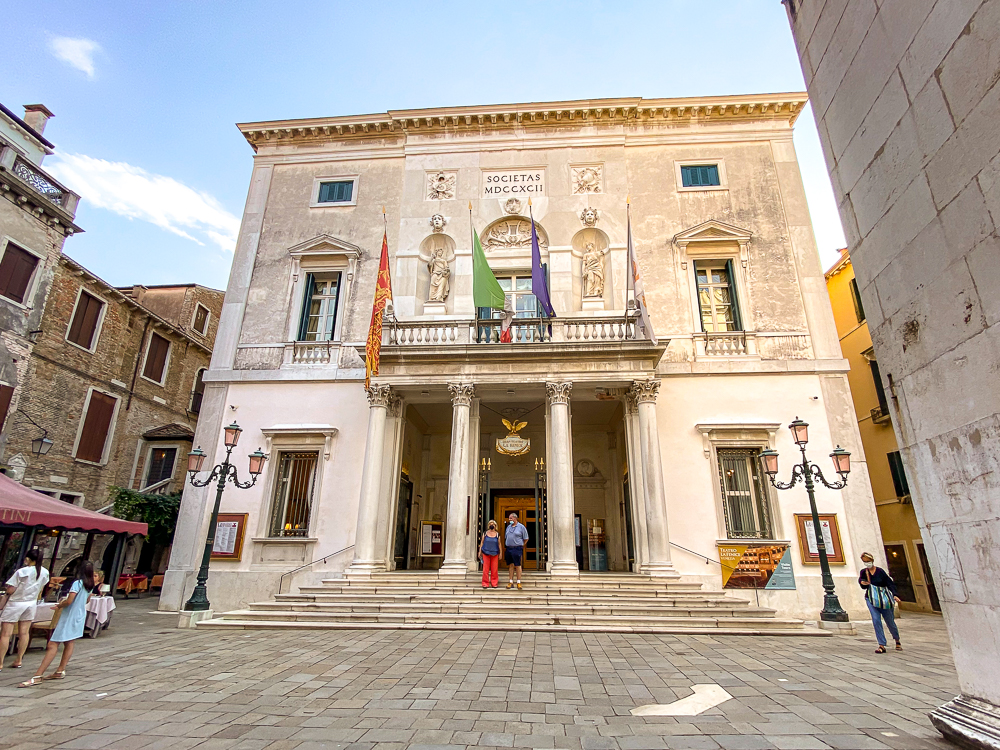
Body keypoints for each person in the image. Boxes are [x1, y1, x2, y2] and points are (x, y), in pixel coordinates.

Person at [19, 561, 95, 687]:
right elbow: (87, 600)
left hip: (69, 616)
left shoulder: (77, 583)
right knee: (69, 642)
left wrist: (60, 605)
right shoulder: (90, 585)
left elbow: (70, 600)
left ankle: (38, 675)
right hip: (79, 616)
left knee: (53, 644)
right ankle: (60, 669)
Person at [0, 548, 49, 671]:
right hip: (31, 603)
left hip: (16, 603)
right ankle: (19, 659)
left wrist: (6, 594)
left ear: (28, 558)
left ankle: (0, 662)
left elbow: (10, 589)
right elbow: (42, 587)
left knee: (6, 634)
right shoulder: (44, 572)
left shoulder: (21, 572)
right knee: (24, 633)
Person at [858, 552, 902, 654]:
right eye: (864, 562)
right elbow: (863, 584)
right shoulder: (864, 572)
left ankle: (897, 639)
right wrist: (862, 583)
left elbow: (889, 583)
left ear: (872, 561)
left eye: (868, 561)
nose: (866, 563)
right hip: (871, 599)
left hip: (884, 600)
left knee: (890, 621)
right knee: (876, 620)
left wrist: (895, 594)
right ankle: (881, 645)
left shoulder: (880, 572)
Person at [504, 512, 529, 590]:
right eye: (509, 518)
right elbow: (506, 537)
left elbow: (526, 538)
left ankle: (518, 582)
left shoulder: (521, 527)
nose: (509, 519)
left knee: (517, 565)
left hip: (517, 548)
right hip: (509, 548)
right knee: (510, 565)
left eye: (511, 518)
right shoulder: (508, 527)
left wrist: (521, 545)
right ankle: (510, 581)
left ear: (515, 518)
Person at [479, 520, 501, 588]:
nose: (492, 525)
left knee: (494, 569)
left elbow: (499, 544)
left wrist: (501, 554)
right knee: (485, 569)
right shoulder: (485, 533)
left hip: (495, 553)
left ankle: (494, 583)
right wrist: (480, 551)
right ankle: (485, 583)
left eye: (493, 524)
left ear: (495, 526)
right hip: (486, 553)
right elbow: (482, 542)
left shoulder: (497, 534)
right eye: (490, 524)